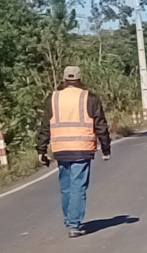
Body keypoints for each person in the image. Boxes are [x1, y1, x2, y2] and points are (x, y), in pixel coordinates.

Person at [37, 66, 111, 237]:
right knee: (78, 186)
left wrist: (41, 149)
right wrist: (106, 148)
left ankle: (69, 219)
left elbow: (45, 126)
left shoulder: (53, 98)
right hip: (82, 148)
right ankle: (73, 224)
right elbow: (100, 125)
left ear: (64, 79)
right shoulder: (89, 98)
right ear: (79, 79)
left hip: (61, 149)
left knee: (66, 187)